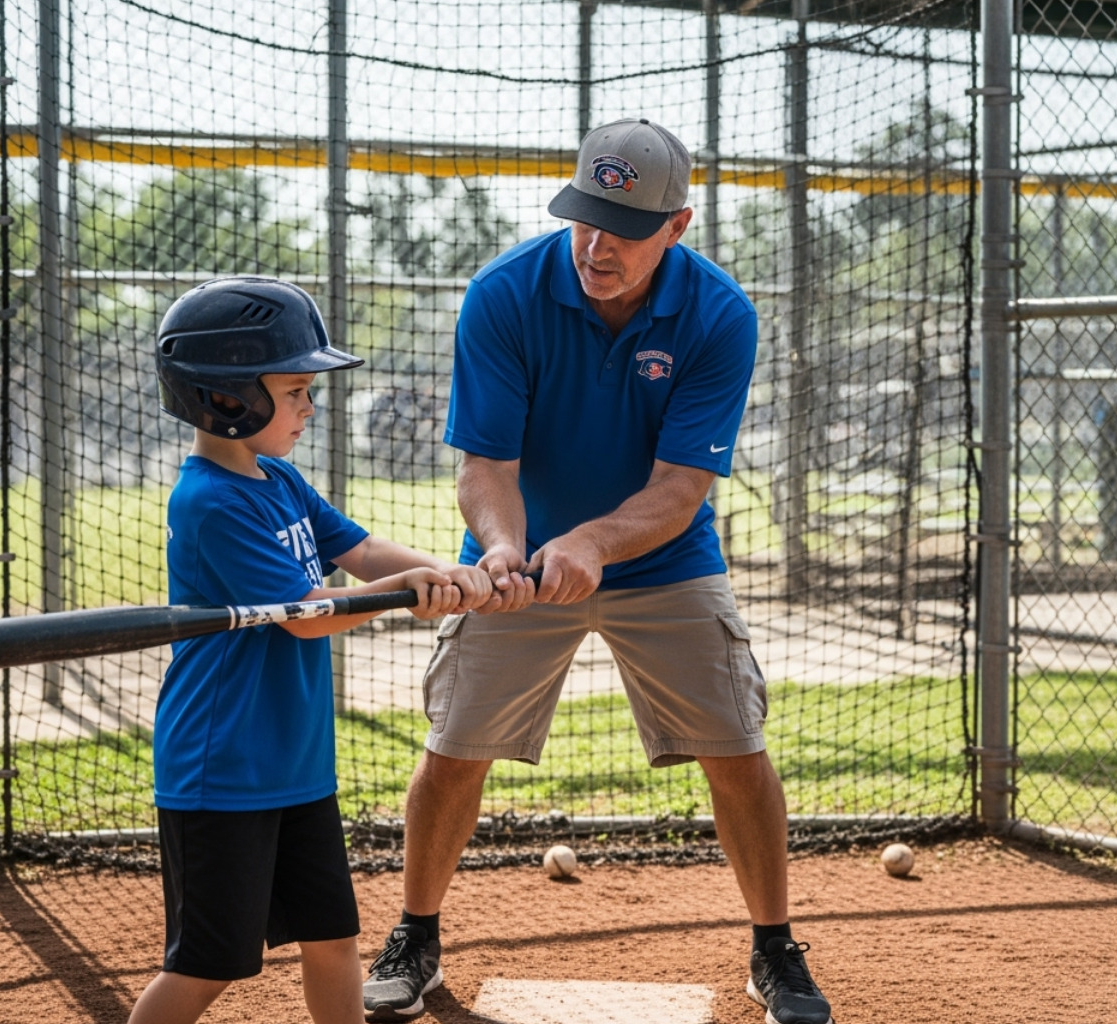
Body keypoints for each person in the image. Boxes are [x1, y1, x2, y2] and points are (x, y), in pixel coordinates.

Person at [362, 119, 834, 1024]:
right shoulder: (505, 294)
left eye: (622, 228)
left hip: (660, 560)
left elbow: (682, 488)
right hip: (521, 556)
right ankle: (416, 935)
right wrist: (503, 546)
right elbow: (484, 470)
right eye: (585, 218)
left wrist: (590, 545)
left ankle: (774, 949)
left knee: (737, 748)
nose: (595, 245)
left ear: (678, 226)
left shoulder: (719, 314)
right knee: (455, 746)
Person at [129, 276, 493, 1024]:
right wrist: (407, 592)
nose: (309, 405)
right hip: (222, 772)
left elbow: (358, 551)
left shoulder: (280, 480)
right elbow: (305, 616)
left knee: (334, 939)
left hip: (294, 767)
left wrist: (443, 573)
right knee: (210, 966)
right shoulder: (210, 501)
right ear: (226, 397)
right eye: (295, 390)